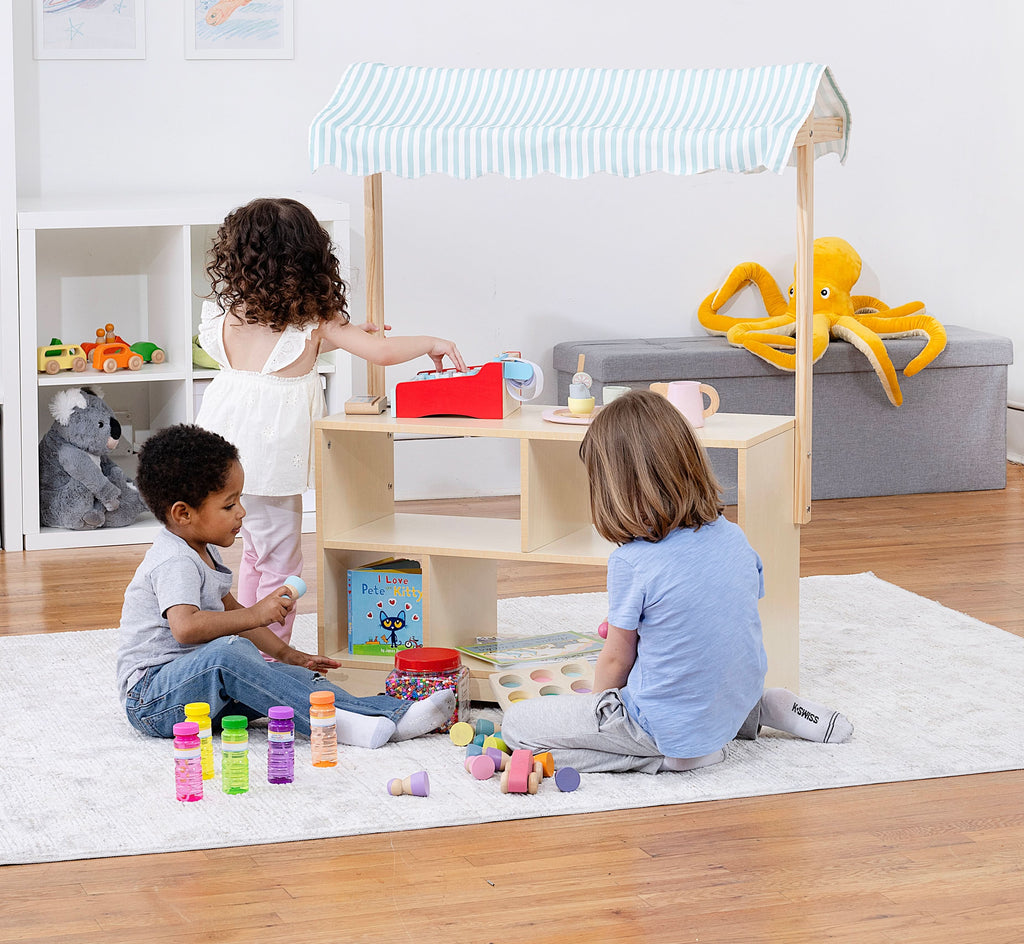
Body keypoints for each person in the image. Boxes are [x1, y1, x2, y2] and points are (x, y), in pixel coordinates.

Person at [501, 390, 853, 774]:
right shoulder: (733, 535)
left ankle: (673, 756)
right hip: (735, 695)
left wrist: (598, 708)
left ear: (614, 488)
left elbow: (618, 659)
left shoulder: (631, 562)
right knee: (684, 674)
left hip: (664, 727)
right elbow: (727, 618)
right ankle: (760, 709)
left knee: (518, 729)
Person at [196, 197, 466, 645]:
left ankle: (243, 642)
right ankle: (270, 655)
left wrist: (352, 332)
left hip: (220, 449)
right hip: (268, 459)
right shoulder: (313, 320)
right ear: (308, 257)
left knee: (254, 555)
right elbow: (378, 353)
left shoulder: (229, 314)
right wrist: (430, 342)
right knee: (281, 564)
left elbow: (283, 356)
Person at [115, 424, 455, 745]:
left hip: (198, 696)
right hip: (152, 699)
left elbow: (232, 611)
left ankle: (389, 716)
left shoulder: (202, 552)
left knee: (285, 675)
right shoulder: (175, 561)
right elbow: (186, 628)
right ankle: (340, 725)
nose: (242, 513)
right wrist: (259, 614)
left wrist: (287, 654)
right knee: (228, 653)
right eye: (229, 505)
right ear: (183, 514)